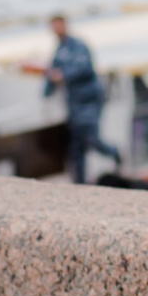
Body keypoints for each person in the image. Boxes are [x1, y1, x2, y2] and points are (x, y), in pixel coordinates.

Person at [42, 14, 122, 183]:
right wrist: (46, 92)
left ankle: (115, 153)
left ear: (64, 25)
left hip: (89, 100)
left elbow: (84, 67)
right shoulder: (59, 50)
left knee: (91, 139)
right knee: (76, 145)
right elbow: (52, 73)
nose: (56, 29)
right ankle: (80, 183)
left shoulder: (78, 46)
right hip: (74, 103)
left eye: (58, 25)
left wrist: (63, 75)